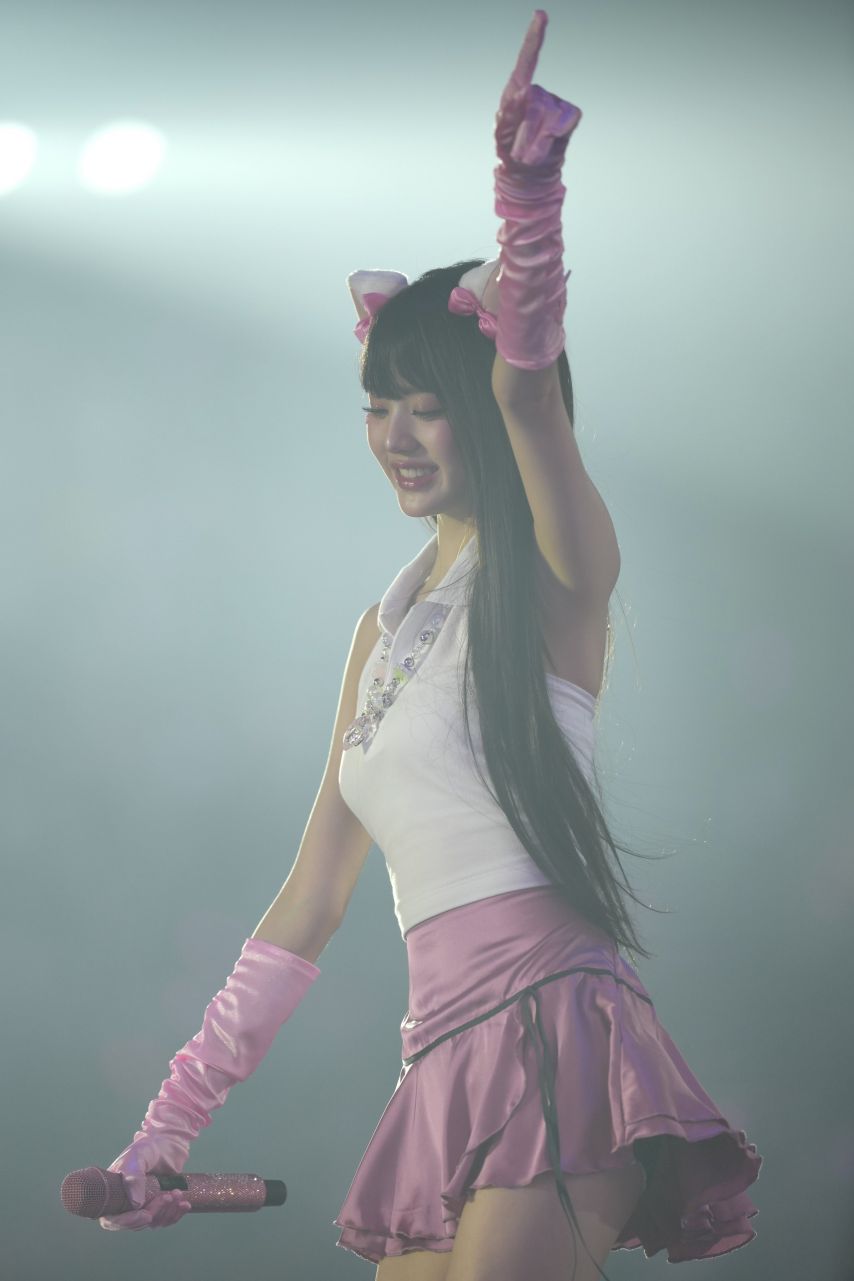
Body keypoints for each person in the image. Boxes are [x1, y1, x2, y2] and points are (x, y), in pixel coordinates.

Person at [98, 10, 762, 1280]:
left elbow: (527, 391)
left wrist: (527, 201)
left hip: (555, 1032)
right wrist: (166, 1129)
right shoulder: (381, 627)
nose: (396, 437)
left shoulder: (557, 576)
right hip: (439, 1059)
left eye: (425, 407)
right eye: (377, 408)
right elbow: (307, 905)